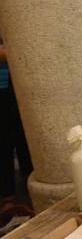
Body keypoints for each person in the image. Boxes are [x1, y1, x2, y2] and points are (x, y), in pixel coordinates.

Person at [0, 32, 33, 217]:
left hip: (16, 89)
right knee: (3, 145)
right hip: (3, 91)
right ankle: (8, 199)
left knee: (23, 138)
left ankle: (27, 193)